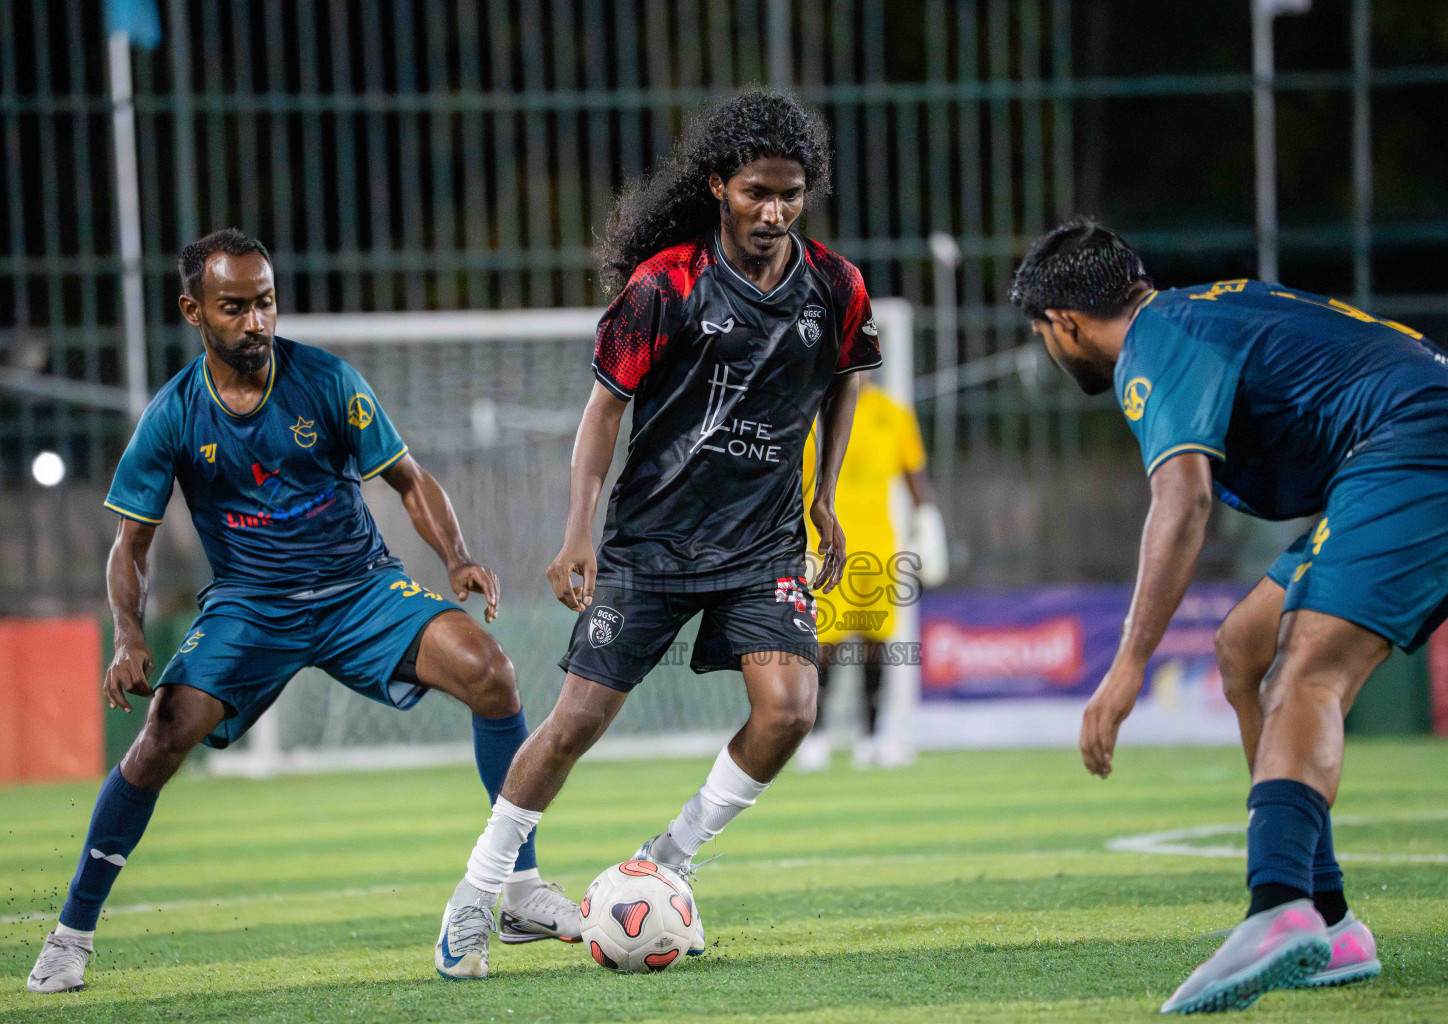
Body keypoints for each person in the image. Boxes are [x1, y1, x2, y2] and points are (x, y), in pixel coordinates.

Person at [26, 229, 575, 996]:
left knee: (494, 674)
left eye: (267, 303)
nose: (257, 322)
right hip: (253, 608)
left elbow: (409, 479)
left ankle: (518, 890)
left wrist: (455, 556)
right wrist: (126, 634)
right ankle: (70, 934)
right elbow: (130, 545)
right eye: (235, 307)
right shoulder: (174, 415)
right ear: (194, 310)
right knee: (160, 738)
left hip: (358, 589)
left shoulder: (326, 379)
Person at [1008, 220, 1448, 1014]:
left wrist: (1124, 671)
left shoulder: (1156, 345)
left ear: (1065, 325)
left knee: (1305, 668)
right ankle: (1331, 921)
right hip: (1420, 449)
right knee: (1243, 647)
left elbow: (1181, 503)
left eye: (1045, 336)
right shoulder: (1195, 314)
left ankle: (1278, 903)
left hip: (1431, 451)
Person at [433, 90, 879, 979]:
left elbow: (844, 382)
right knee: (573, 726)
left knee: (791, 711)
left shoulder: (836, 285)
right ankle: (476, 901)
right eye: (757, 191)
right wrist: (578, 532)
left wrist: (824, 496)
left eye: (791, 194)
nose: (774, 210)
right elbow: (606, 411)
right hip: (650, 547)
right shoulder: (665, 285)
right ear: (719, 184)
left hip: (762, 548)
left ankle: (668, 859)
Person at [795, 373, 947, 771]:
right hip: (825, 548)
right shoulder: (814, 413)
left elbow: (916, 477)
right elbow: (794, 480)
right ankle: (818, 734)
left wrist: (929, 523)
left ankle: (873, 734)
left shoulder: (893, 413)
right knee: (824, 642)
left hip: (879, 551)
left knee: (875, 643)